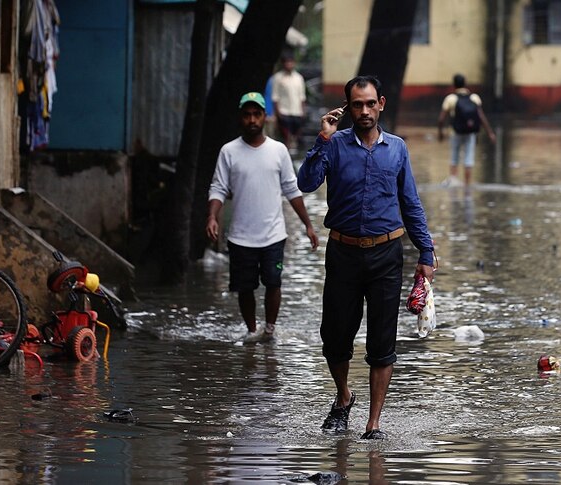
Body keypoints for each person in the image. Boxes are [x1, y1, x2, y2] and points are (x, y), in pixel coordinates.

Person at [297, 76, 435, 440]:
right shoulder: (336, 145)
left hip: (388, 254)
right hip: (342, 252)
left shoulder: (398, 149)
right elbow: (306, 183)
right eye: (357, 105)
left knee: (382, 341)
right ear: (348, 108)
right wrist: (322, 137)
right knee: (335, 336)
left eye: (370, 103)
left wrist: (427, 251)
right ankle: (344, 396)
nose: (364, 111)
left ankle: (373, 423)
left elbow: (411, 203)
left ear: (381, 104)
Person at [207, 92, 318, 343]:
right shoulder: (229, 151)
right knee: (244, 288)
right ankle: (251, 330)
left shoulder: (278, 150)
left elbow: (292, 189)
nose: (252, 119)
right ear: (241, 118)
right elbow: (218, 188)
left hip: (273, 235)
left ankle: (268, 330)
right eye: (247, 115)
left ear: (264, 117)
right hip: (240, 236)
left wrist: (309, 226)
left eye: (256, 114)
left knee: (273, 283)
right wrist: (212, 217)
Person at [437, 73, 496, 185]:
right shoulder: (474, 98)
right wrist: (490, 133)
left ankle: (453, 182)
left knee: (454, 157)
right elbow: (481, 117)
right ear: (465, 84)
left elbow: (441, 119)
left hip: (455, 132)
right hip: (471, 132)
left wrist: (440, 133)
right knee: (468, 158)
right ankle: (467, 186)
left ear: (454, 85)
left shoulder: (451, 99)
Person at [271, 53, 307, 154]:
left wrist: (303, 111)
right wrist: (278, 113)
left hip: (297, 112)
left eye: (291, 62)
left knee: (296, 138)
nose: (289, 64)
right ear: (283, 64)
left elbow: (302, 97)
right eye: (287, 62)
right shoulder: (278, 78)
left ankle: (295, 158)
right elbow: (275, 97)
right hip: (284, 112)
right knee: (285, 137)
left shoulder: (299, 78)